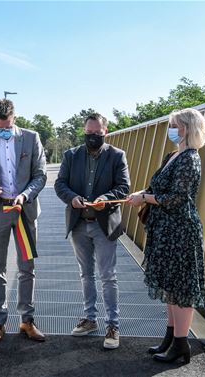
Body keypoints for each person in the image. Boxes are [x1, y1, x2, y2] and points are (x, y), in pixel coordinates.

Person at [127, 108, 205, 364]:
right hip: (165, 231)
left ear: (187, 128)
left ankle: (181, 345)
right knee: (170, 287)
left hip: (180, 232)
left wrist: (145, 199)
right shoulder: (174, 155)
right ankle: (171, 338)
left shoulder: (190, 159)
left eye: (174, 125)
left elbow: (177, 198)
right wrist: (142, 193)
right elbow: (157, 187)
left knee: (181, 289)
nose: (171, 129)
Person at [0, 99, 47, 343]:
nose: (1, 131)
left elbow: (40, 175)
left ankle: (27, 320)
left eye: (5, 126)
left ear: (14, 119)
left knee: (27, 268)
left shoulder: (31, 137)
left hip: (24, 210)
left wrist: (25, 195)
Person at [54, 113, 130, 350]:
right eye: (88, 134)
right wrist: (72, 198)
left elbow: (124, 187)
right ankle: (90, 319)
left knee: (108, 275)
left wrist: (105, 200)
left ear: (105, 132)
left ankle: (113, 325)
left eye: (96, 134)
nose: (92, 138)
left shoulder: (117, 156)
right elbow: (60, 184)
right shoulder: (71, 155)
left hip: (103, 223)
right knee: (85, 273)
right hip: (79, 223)